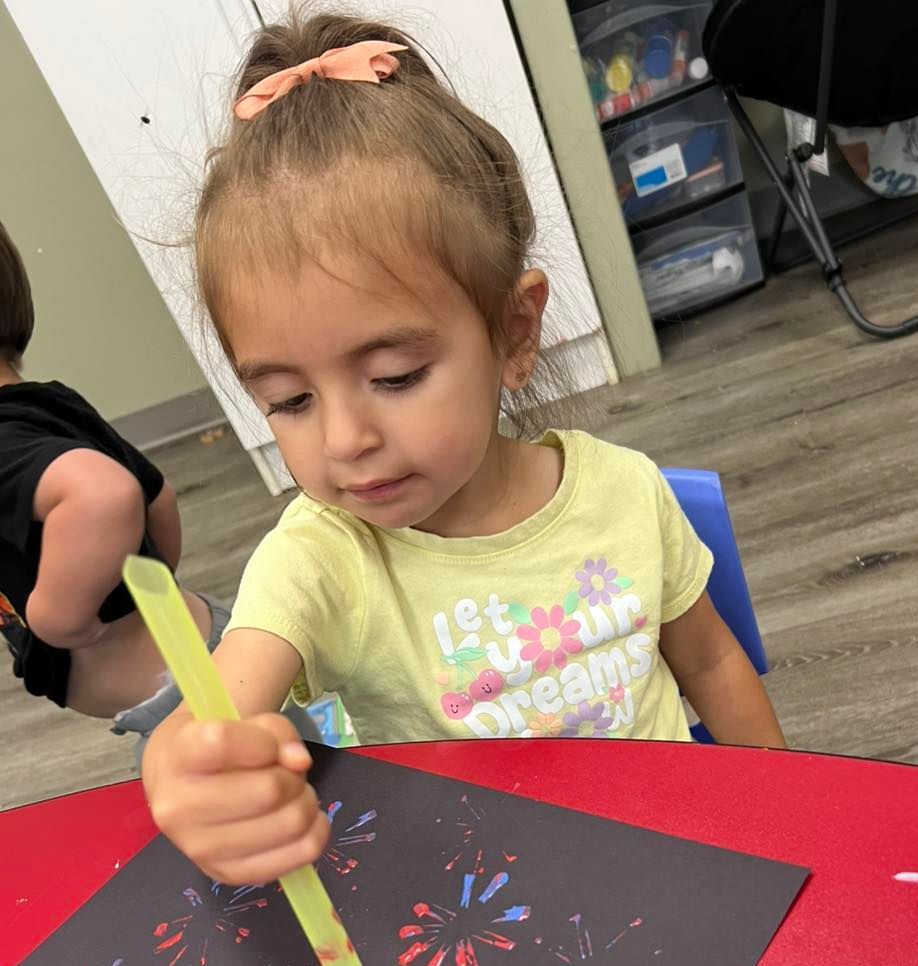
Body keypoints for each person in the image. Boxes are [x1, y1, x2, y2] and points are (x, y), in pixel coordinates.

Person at [143, 11, 785, 887]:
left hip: (678, 869)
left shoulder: (625, 494)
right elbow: (213, 713)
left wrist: (791, 825)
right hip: (482, 912)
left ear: (514, 331)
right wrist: (185, 769)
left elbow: (710, 660)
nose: (344, 440)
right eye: (287, 401)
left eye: (397, 375)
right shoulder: (323, 556)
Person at [0, 220, 226, 735]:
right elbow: (157, 497)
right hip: (199, 655)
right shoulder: (48, 403)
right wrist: (149, 581)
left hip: (187, 706)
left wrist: (60, 618)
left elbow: (104, 494)